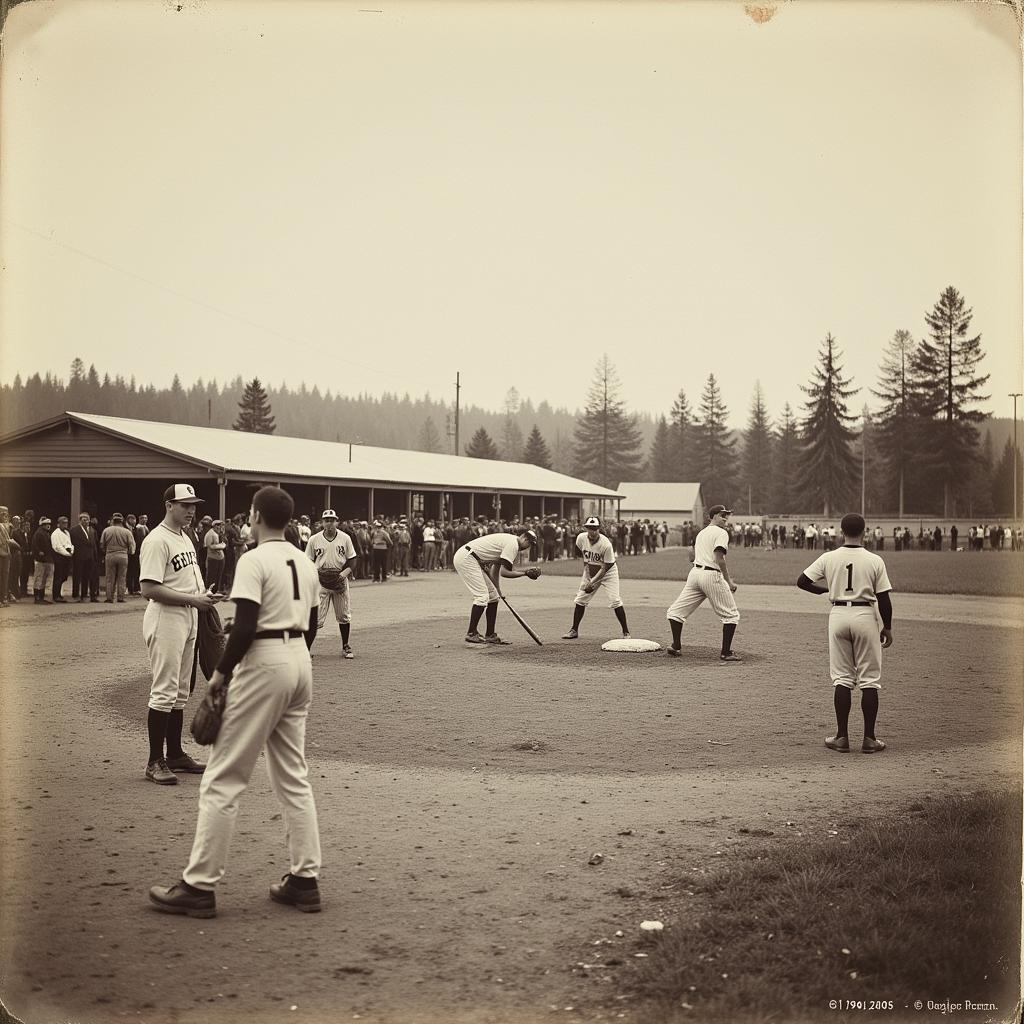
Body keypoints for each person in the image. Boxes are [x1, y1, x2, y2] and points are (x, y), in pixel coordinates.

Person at [149, 485, 323, 919]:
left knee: (223, 778)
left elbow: (244, 628)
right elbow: (314, 622)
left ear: (258, 515)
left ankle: (199, 885)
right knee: (293, 776)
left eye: (250, 513)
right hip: (300, 659)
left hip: (264, 662)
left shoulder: (253, 558)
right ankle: (304, 880)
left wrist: (220, 677)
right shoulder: (304, 560)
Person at [140, 484, 218, 786]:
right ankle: (153, 761)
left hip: (189, 614)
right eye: (185, 504)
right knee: (164, 690)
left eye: (193, 504)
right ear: (169, 505)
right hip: (166, 617)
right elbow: (148, 588)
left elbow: (184, 581)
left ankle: (174, 754)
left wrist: (204, 596)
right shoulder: (157, 539)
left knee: (180, 691)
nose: (191, 510)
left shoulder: (185, 536)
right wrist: (193, 599)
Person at [797, 512, 893, 754]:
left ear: (841, 532)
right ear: (864, 532)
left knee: (842, 678)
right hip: (864, 616)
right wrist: (887, 627)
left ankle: (841, 738)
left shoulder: (829, 557)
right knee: (869, 679)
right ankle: (869, 739)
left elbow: (802, 581)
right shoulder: (874, 559)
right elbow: (884, 598)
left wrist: (823, 590)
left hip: (838, 614)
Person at [665, 504, 742, 662]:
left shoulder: (701, 533)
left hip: (695, 574)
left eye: (726, 515)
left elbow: (691, 556)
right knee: (731, 615)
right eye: (722, 515)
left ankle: (676, 645)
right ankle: (726, 653)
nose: (725, 518)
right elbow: (719, 558)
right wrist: (729, 581)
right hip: (711, 575)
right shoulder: (721, 533)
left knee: (675, 612)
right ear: (713, 516)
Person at [453, 529, 540, 644]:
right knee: (482, 596)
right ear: (524, 538)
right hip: (467, 559)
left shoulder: (510, 542)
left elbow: (496, 568)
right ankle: (471, 633)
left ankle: (490, 635)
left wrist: (498, 590)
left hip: (471, 558)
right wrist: (525, 573)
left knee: (493, 596)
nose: (528, 547)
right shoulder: (513, 544)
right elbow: (505, 573)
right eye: (529, 543)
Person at [562, 516, 630, 640]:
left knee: (615, 600)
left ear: (599, 529)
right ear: (586, 528)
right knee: (580, 600)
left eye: (595, 528)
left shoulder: (606, 544)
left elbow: (605, 568)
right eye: (590, 528)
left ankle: (626, 632)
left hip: (609, 573)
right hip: (591, 571)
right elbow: (585, 559)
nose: (592, 531)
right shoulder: (581, 538)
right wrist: (588, 578)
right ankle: (574, 630)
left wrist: (592, 582)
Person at [305, 509, 358, 659]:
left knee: (344, 615)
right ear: (322, 522)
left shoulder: (345, 538)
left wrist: (345, 572)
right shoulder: (314, 539)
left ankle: (345, 645)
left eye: (332, 520)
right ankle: (306, 649)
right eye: (326, 520)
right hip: (320, 580)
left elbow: (353, 558)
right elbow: (307, 559)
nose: (329, 523)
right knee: (315, 618)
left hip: (339, 577)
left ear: (337, 521)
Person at [100, 513, 136, 602]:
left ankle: (109, 597)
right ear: (122, 521)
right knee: (122, 577)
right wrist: (130, 553)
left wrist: (106, 551)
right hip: (123, 555)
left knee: (109, 577)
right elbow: (132, 545)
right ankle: (120, 597)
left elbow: (101, 544)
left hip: (110, 555)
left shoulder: (106, 530)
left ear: (113, 520)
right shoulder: (127, 532)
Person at [71, 511, 100, 602]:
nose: (86, 521)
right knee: (77, 576)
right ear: (80, 520)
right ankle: (76, 595)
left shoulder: (92, 530)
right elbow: (72, 543)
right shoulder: (74, 530)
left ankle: (84, 594)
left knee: (87, 576)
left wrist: (95, 556)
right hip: (79, 556)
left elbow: (95, 544)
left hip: (90, 557)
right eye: (84, 519)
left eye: (87, 519)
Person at [50, 515, 74, 602]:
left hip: (67, 557)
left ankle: (59, 594)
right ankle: (56, 595)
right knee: (58, 576)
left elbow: (69, 543)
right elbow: (57, 547)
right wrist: (67, 554)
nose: (65, 524)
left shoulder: (67, 533)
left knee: (64, 576)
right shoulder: (55, 534)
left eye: (66, 523)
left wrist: (71, 551)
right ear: (58, 524)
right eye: (63, 523)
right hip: (59, 557)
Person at [31, 517, 54, 604]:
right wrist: (38, 552)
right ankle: (37, 597)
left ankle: (41, 597)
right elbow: (34, 545)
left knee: (43, 578)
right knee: (39, 578)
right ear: (42, 525)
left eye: (49, 524)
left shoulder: (46, 533)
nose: (48, 526)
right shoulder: (39, 533)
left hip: (45, 559)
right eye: (46, 524)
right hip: (40, 559)